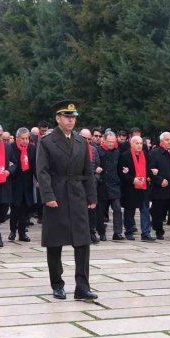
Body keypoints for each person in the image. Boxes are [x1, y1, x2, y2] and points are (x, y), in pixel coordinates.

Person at [36, 100, 98, 301]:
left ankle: (82, 286)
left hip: (77, 196)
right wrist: (48, 196)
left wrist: (91, 196)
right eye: (67, 117)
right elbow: (42, 172)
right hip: (57, 196)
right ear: (58, 118)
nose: (71, 121)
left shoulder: (81, 141)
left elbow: (88, 170)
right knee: (55, 243)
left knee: (83, 243)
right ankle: (57, 284)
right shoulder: (47, 142)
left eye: (73, 117)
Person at [119, 135, 155, 242]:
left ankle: (146, 233)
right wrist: (132, 180)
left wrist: (150, 174)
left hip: (143, 187)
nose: (139, 145)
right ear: (131, 144)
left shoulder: (146, 155)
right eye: (137, 143)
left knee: (145, 210)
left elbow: (148, 169)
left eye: (141, 143)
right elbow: (122, 173)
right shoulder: (125, 156)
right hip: (131, 187)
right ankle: (129, 231)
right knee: (130, 210)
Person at [149, 132, 170, 241]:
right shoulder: (154, 153)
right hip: (160, 190)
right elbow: (150, 171)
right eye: (167, 139)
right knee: (158, 212)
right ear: (161, 141)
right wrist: (159, 180)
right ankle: (159, 231)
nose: (169, 142)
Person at [9, 127, 36, 242]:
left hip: (27, 183)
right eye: (23, 139)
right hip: (15, 183)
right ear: (17, 138)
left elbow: (34, 165)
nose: (25, 141)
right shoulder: (11, 148)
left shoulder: (32, 148)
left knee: (25, 210)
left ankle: (22, 232)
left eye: (27, 138)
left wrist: (39, 179)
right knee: (15, 208)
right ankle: (12, 231)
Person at [97, 132, 124, 240]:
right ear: (104, 140)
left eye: (113, 142)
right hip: (102, 185)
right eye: (109, 142)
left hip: (114, 185)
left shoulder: (117, 152)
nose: (111, 144)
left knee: (117, 209)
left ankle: (117, 233)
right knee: (101, 211)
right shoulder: (98, 151)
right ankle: (101, 233)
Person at [80, 129, 102, 243]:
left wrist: (95, 177)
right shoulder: (74, 150)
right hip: (78, 184)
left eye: (89, 139)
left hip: (91, 184)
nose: (87, 141)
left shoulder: (93, 150)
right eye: (85, 138)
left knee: (92, 209)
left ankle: (92, 232)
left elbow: (98, 167)